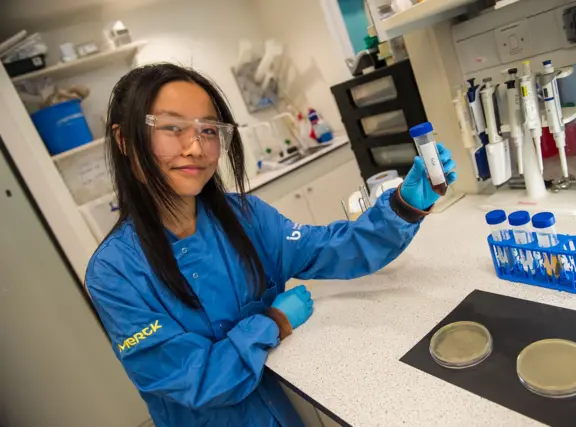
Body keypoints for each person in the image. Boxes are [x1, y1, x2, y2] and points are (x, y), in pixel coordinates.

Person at [85, 63, 457, 427]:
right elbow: (196, 382)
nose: (196, 147)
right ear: (124, 141)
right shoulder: (114, 272)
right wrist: (272, 323)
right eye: (171, 128)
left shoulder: (246, 216)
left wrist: (404, 207)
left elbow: (331, 249)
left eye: (209, 129)